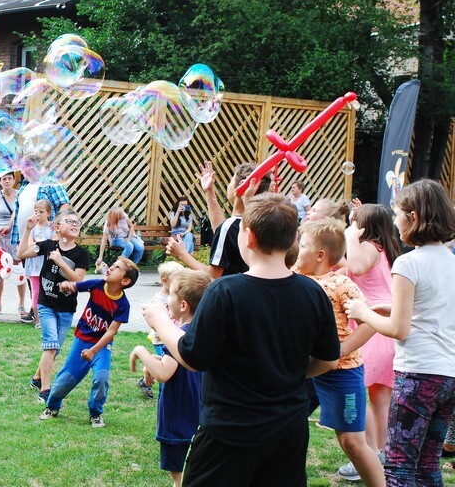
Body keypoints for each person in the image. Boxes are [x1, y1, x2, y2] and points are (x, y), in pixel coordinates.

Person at [144, 193, 340, 486]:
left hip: (229, 432)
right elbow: (328, 360)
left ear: (248, 237)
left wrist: (160, 318)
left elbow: (193, 357)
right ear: (291, 239)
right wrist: (285, 372)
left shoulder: (225, 292)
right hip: (288, 432)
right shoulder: (313, 293)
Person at [345, 179, 455, 486]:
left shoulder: (409, 263)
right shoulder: (451, 261)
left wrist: (363, 312)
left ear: (414, 218)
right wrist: (388, 308)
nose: (395, 221)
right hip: (448, 375)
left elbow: (399, 330)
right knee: (428, 464)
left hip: (418, 374)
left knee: (398, 467)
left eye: (398, 214)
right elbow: (433, 311)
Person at [294, 218, 386, 486]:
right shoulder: (294, 277)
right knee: (284, 427)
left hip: (341, 372)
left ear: (320, 255)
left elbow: (371, 320)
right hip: (304, 371)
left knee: (351, 441)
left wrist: (341, 350)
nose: (297, 250)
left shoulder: (341, 284)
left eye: (303, 246)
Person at [337, 203, 400, 481]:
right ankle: (382, 456)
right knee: (380, 400)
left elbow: (356, 266)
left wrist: (351, 235)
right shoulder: (386, 249)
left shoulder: (369, 248)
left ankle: (368, 455)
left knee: (359, 395)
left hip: (370, 332)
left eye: (356, 222)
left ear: (364, 227)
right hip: (384, 332)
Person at [130, 268, 211, 487]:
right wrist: (153, 362)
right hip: (200, 421)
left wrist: (140, 351)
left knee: (181, 480)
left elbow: (164, 374)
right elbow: (172, 366)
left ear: (183, 305)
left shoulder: (179, 336)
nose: (167, 301)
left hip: (179, 421)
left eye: (171, 295)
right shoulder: (201, 332)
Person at [39, 257, 139, 427]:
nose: (110, 267)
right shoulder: (97, 285)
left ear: (125, 280)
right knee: (67, 377)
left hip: (101, 346)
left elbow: (111, 332)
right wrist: (68, 286)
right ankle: (52, 406)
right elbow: (76, 285)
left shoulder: (123, 304)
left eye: (116, 268)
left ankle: (96, 413)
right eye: (112, 264)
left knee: (101, 377)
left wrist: (94, 350)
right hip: (82, 340)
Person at [17, 209, 90, 403]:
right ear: (57, 227)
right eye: (70, 221)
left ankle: (36, 377)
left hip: (66, 308)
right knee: (51, 345)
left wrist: (60, 262)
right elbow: (21, 253)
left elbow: (78, 282)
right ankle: (45, 389)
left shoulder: (82, 254)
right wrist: (27, 230)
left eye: (77, 223)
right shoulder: (48, 245)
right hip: (46, 304)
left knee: (54, 349)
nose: (75, 225)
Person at [166, 162, 271, 279]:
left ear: (241, 186)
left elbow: (212, 276)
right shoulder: (262, 222)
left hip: (230, 294)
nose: (229, 185)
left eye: (231, 181)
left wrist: (182, 253)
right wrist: (209, 191)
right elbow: (222, 230)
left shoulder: (230, 226)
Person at [9, 177, 70, 321]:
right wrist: (11, 227)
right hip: (27, 238)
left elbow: (64, 204)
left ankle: (47, 310)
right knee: (34, 281)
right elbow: (18, 210)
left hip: (46, 241)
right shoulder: (24, 185)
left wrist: (58, 226)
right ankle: (35, 309)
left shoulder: (50, 182)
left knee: (48, 280)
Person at [138, 260, 184, 399]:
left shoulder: (176, 296)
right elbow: (152, 320)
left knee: (172, 366)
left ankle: (145, 381)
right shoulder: (157, 300)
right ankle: (163, 393)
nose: (180, 283)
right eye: (177, 280)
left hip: (174, 336)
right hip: (161, 340)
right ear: (165, 280)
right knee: (166, 368)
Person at [0, 172, 26, 316]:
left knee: (19, 270)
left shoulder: (20, 194)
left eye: (9, 178)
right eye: (4, 179)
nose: (7, 181)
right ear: (0, 181)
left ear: (14, 180)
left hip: (15, 236)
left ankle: (21, 304)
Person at [20, 199, 54, 326]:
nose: (38, 214)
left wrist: (39, 244)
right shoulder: (32, 228)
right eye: (36, 212)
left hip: (47, 264)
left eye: (41, 212)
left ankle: (49, 317)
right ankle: (38, 319)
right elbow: (30, 245)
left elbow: (54, 243)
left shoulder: (52, 227)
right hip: (34, 265)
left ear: (48, 213)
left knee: (48, 291)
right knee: (35, 292)